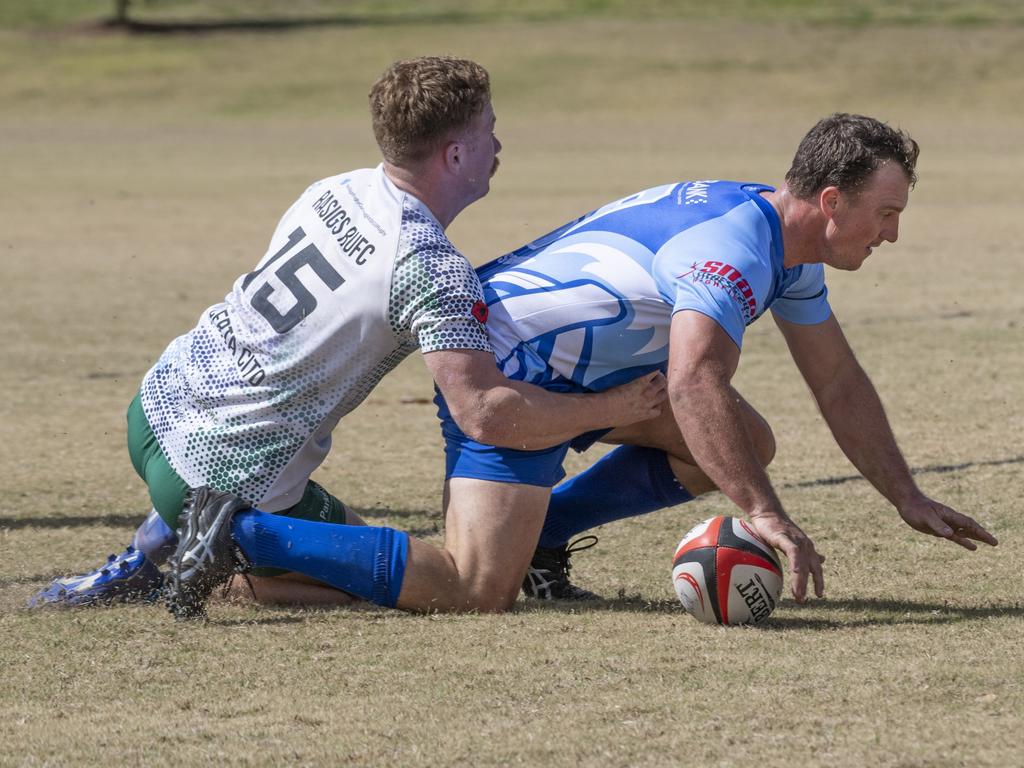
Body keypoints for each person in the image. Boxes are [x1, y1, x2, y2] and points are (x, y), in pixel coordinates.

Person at [169, 113, 997, 616]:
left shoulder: (784, 241)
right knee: (471, 589)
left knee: (743, 439)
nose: (891, 233)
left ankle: (544, 539)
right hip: (512, 364)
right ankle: (234, 531)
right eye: (886, 214)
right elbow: (692, 380)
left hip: (575, 364)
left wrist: (906, 494)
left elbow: (838, 381)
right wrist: (766, 516)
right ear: (831, 201)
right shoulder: (732, 251)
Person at [29, 56, 665, 609]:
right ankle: (224, 551)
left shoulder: (333, 188)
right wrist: (617, 407)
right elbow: (485, 414)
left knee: (350, 530)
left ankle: (145, 557)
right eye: (489, 132)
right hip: (217, 475)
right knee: (442, 586)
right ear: (454, 153)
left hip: (155, 410)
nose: (498, 146)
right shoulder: (429, 266)